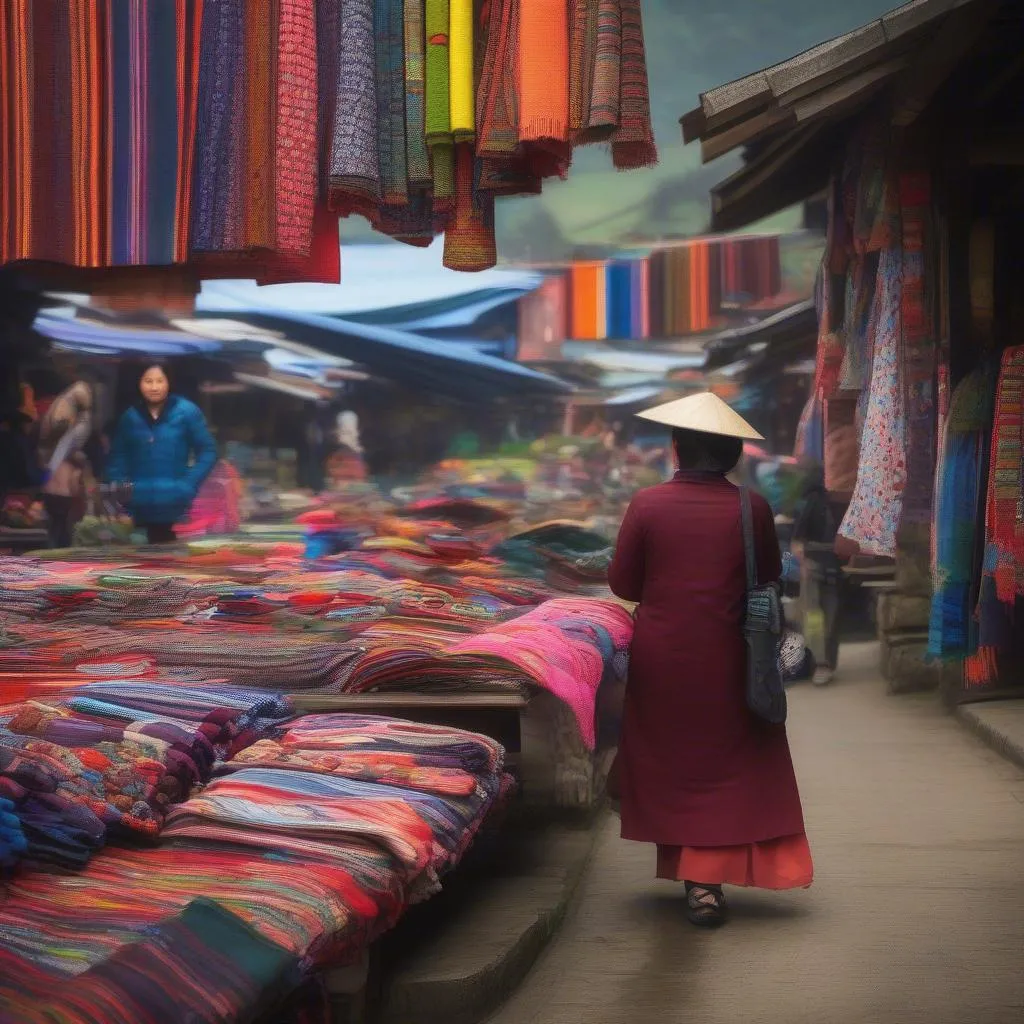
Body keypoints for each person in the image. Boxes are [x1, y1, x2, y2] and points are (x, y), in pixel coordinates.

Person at [608, 392, 812, 928]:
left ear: (676, 448)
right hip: (732, 656)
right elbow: (767, 576)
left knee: (674, 762)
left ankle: (698, 879)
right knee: (727, 763)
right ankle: (705, 881)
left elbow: (624, 583)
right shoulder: (753, 508)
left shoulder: (646, 505)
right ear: (732, 454)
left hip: (663, 660)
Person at [106, 363, 217, 544]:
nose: (154, 387)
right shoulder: (130, 416)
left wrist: (188, 484)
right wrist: (122, 489)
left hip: (175, 504)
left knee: (173, 563)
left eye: (160, 381)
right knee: (141, 566)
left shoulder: (186, 412)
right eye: (148, 381)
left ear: (169, 382)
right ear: (139, 383)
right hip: (138, 505)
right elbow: (118, 457)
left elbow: (208, 451)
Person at [791, 460, 846, 686]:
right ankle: (823, 664)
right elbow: (798, 539)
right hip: (824, 566)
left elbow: (796, 540)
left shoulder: (818, 502)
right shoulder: (820, 501)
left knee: (819, 618)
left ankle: (822, 664)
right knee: (824, 618)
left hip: (823, 566)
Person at [38, 382, 94, 548]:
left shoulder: (72, 419)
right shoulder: (69, 419)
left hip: (60, 486)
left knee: (61, 525)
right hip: (60, 487)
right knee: (60, 525)